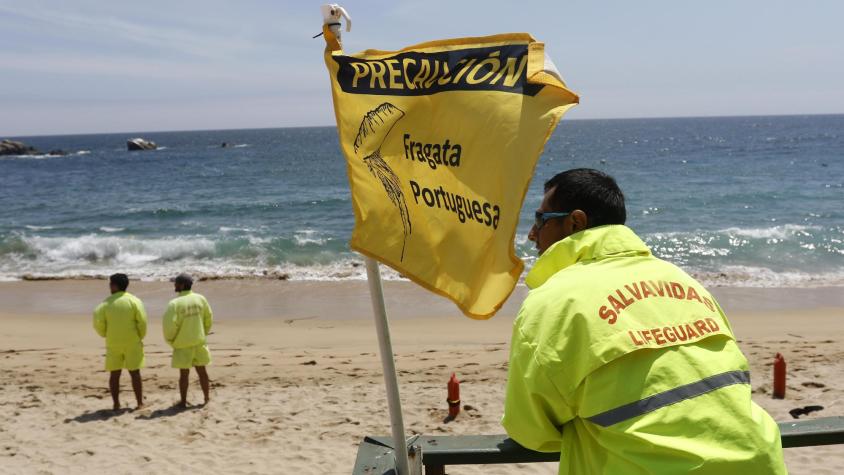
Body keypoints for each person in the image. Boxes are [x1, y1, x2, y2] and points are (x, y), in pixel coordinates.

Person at [502, 169, 786, 474]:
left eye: (540, 219)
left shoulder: (553, 301)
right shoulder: (681, 279)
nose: (532, 234)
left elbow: (531, 430)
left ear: (576, 222)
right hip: (758, 460)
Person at [93, 273, 147, 411]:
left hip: (113, 342)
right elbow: (142, 321)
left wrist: (105, 334)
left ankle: (116, 404)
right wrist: (140, 336)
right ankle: (140, 403)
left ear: (114, 286)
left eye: (110, 284)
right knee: (135, 373)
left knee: (114, 374)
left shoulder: (105, 304)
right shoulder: (134, 301)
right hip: (132, 341)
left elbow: (98, 322)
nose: (109, 286)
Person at [162, 273, 213, 407]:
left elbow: (169, 326)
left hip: (183, 344)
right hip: (199, 341)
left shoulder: (175, 303)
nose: (174, 285)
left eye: (176, 283)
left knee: (184, 374)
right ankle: (206, 398)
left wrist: (171, 341)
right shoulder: (200, 299)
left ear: (182, 285)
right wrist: (202, 333)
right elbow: (208, 319)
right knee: (202, 371)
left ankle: (183, 401)